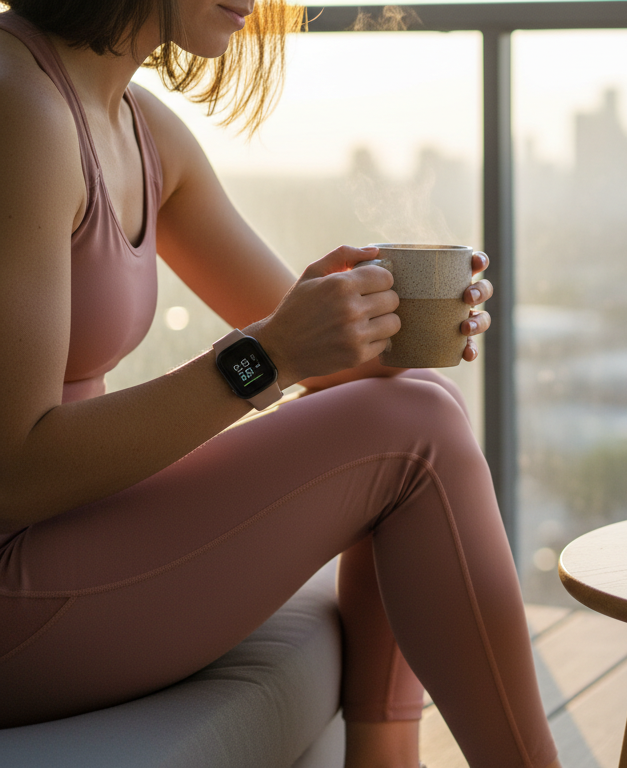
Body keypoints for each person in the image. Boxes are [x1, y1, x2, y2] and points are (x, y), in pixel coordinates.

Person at [0, 1, 559, 766]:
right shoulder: (18, 108)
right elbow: (15, 473)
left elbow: (319, 359)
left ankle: (386, 755)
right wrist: (270, 355)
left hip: (61, 537)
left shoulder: (140, 127)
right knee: (417, 432)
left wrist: (390, 321)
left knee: (421, 404)